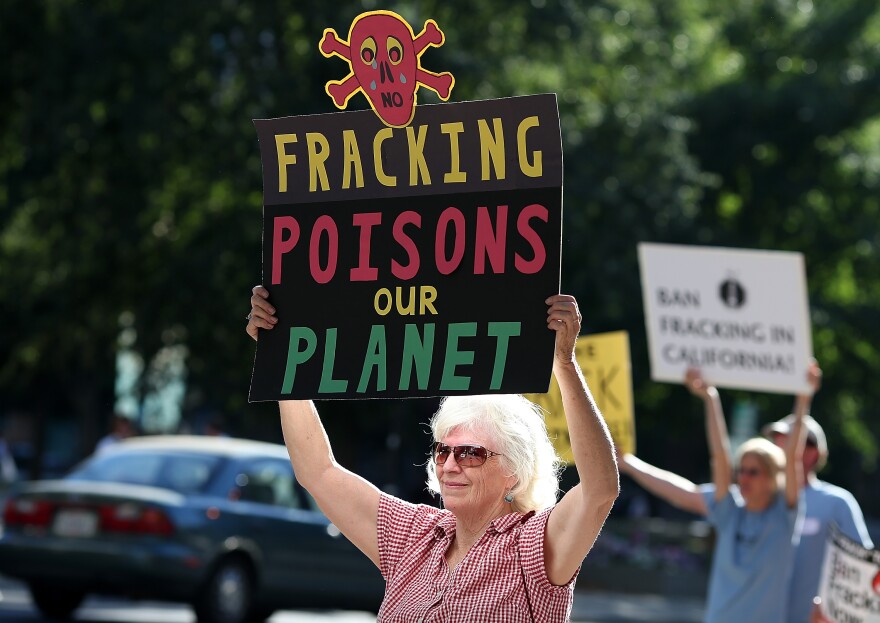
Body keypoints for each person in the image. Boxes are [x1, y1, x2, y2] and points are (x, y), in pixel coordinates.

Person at [247, 286, 619, 622]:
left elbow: (599, 490)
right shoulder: (415, 537)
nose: (451, 465)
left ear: (515, 472)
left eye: (471, 453)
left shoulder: (532, 546)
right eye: (443, 452)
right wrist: (281, 358)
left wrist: (564, 364)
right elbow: (319, 472)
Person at [617, 364, 819, 623]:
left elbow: (792, 457)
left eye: (754, 472)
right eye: (742, 470)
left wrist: (804, 399)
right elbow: (709, 467)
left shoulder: (785, 515)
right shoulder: (729, 510)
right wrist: (629, 464)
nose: (743, 478)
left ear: (773, 479)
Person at [762, 406, 874, 623]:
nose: (779, 447)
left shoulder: (837, 503)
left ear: (812, 453)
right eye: (778, 441)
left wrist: (832, 606)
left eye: (789, 441)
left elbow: (861, 568)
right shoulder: (761, 499)